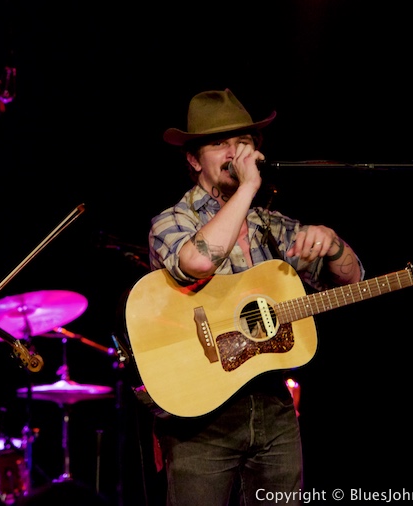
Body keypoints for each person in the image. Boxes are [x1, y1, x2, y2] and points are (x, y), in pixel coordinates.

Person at [146, 88, 364, 506]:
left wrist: (334, 245)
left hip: (274, 408)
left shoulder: (272, 226)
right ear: (193, 160)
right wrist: (248, 189)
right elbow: (196, 262)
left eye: (243, 142)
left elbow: (350, 282)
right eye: (219, 143)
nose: (234, 151)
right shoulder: (171, 222)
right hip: (200, 419)